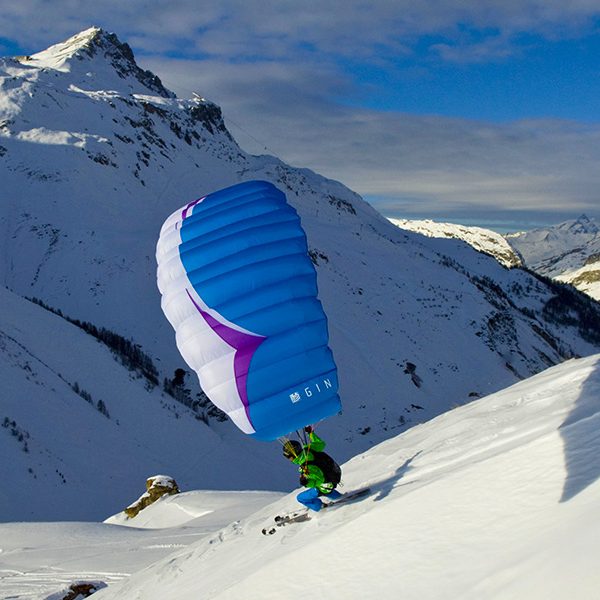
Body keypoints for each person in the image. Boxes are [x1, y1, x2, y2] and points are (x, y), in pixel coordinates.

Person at [282, 426, 342, 511]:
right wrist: (311, 434)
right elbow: (321, 443)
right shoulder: (310, 449)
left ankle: (320, 508)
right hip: (334, 475)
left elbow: (320, 479)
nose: (288, 459)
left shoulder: (306, 466)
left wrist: (306, 483)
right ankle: (339, 497)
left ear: (292, 456)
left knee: (301, 498)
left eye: (288, 457)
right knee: (326, 489)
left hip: (326, 484)